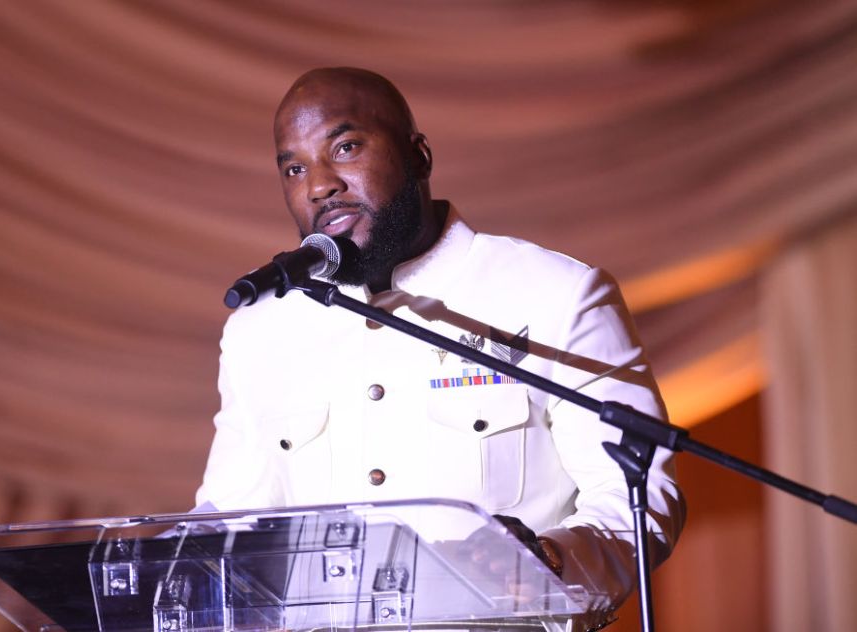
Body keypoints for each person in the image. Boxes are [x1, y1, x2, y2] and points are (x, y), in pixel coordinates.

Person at [196, 67, 685, 630]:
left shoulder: (557, 293)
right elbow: (229, 522)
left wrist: (551, 561)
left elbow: (640, 499)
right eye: (294, 168)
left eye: (346, 147)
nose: (319, 185)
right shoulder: (261, 331)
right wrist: (165, 563)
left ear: (418, 156)